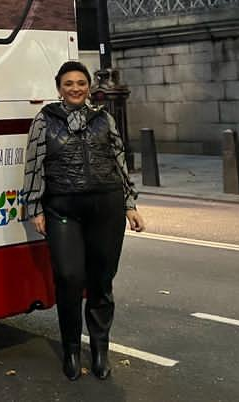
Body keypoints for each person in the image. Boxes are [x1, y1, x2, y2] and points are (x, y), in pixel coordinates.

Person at [22, 60, 146, 381]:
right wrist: (35, 207)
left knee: (101, 280)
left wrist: (130, 205)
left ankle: (101, 349)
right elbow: (34, 165)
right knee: (69, 277)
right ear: (59, 88)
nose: (75, 88)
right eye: (68, 83)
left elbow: (119, 161)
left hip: (107, 207)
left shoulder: (103, 119)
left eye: (80, 82)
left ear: (88, 86)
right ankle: (72, 350)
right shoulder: (45, 120)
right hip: (62, 208)